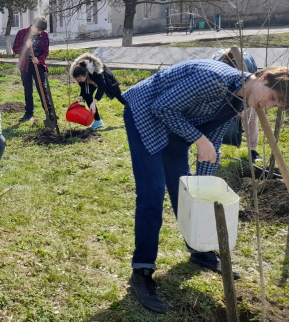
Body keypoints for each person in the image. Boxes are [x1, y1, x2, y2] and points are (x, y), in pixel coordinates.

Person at [122, 59, 289, 313]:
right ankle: (142, 270)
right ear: (264, 77)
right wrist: (199, 140)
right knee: (152, 193)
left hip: (174, 122)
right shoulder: (213, 78)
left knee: (188, 190)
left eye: (276, 105)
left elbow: (212, 140)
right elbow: (162, 107)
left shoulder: (239, 99)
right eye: (273, 97)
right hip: (146, 113)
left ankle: (200, 251)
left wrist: (204, 184)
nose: (269, 105)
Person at [212, 48, 260, 161]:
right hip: (222, 91)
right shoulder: (217, 65)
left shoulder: (248, 64)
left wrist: (243, 107)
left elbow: (254, 84)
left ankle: (252, 150)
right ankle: (214, 146)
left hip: (248, 89)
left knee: (250, 116)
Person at [70, 53, 125, 129]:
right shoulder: (79, 72)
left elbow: (102, 86)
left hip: (105, 78)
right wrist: (80, 98)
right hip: (90, 79)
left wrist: (94, 102)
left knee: (118, 95)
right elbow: (84, 90)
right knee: (88, 96)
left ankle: (132, 110)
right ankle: (98, 121)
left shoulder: (95, 70)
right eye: (77, 80)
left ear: (86, 74)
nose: (79, 81)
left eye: (80, 79)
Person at [12, 16, 51, 122]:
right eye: (38, 30)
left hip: (38, 65)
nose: (39, 32)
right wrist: (25, 46)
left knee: (42, 88)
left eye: (41, 31)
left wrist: (39, 60)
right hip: (25, 66)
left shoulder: (44, 35)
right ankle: (29, 113)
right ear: (33, 25)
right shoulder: (22, 33)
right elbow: (15, 49)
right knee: (28, 89)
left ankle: (49, 112)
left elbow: (46, 51)